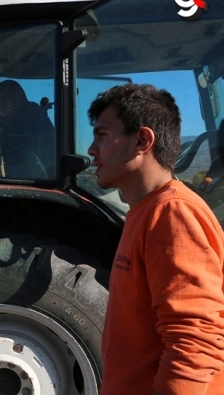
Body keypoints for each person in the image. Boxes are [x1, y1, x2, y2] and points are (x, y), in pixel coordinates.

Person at [87, 83, 224, 394]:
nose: (91, 149)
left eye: (103, 135)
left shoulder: (172, 214)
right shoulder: (144, 211)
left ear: (142, 140)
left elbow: (194, 343)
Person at [0, 79, 54, 178]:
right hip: (9, 181)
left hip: (38, 181)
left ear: (16, 97)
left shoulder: (32, 114)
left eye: (5, 97)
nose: (0, 103)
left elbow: (29, 148)